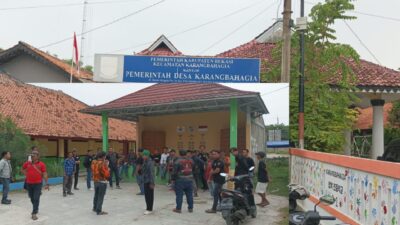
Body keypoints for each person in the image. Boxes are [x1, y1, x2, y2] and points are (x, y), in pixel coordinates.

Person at [21, 150, 49, 221]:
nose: (32, 156)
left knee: (36, 198)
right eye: (32, 155)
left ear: (38, 156)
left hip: (38, 184)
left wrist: (46, 183)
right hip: (29, 183)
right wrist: (26, 174)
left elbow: (45, 173)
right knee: (31, 198)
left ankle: (34, 213)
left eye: (34, 155)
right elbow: (22, 169)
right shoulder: (27, 163)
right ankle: (36, 207)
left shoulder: (41, 164)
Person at [231, 148, 256, 217]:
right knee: (236, 193)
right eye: (231, 153)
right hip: (238, 179)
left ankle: (252, 208)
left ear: (236, 151)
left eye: (233, 152)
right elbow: (237, 169)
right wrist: (233, 177)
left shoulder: (241, 158)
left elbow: (248, 167)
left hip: (245, 178)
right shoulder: (238, 158)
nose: (232, 154)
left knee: (248, 193)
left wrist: (249, 174)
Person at [142, 150, 155, 215]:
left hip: (149, 181)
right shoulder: (145, 161)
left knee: (149, 195)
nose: (143, 156)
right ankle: (148, 207)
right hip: (145, 180)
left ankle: (149, 209)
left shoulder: (150, 162)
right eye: (143, 155)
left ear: (147, 155)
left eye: (144, 155)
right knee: (147, 195)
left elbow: (152, 173)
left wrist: (152, 183)